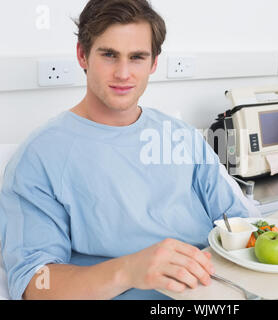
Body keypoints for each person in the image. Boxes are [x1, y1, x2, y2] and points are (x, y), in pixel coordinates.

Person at [0, 0, 259, 300]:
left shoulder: (180, 136)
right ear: (82, 55)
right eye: (109, 55)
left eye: (137, 57)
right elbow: (36, 283)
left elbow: (242, 224)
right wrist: (130, 270)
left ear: (153, 63)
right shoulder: (39, 158)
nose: (123, 73)